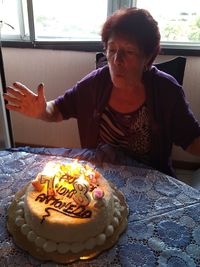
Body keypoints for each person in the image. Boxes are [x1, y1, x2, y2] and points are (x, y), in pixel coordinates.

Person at [3, 8, 200, 177]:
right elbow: (58, 109)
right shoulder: (95, 83)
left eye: (129, 51)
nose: (117, 60)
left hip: (150, 181)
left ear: (147, 57)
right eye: (112, 49)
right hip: (100, 178)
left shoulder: (166, 90)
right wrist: (41, 110)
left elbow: (192, 140)